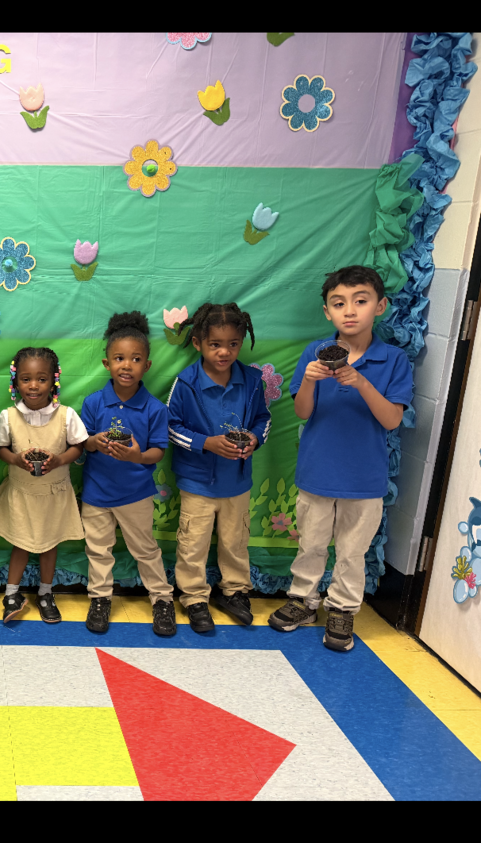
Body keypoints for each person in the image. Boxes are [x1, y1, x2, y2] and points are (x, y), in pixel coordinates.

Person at [269, 266, 412, 651]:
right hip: (316, 473)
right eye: (339, 303)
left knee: (352, 551)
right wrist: (313, 380)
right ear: (327, 312)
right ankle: (302, 600)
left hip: (365, 479)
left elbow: (392, 419)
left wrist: (360, 382)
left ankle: (344, 608)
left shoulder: (393, 360)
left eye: (360, 301)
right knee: (311, 544)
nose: (350, 311)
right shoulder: (314, 353)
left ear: (379, 306)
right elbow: (302, 412)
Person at [167, 302, 272, 632]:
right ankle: (194, 596)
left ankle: (236, 591)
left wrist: (255, 439)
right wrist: (206, 443)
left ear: (241, 342)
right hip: (197, 482)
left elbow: (263, 420)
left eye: (233, 344)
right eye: (215, 344)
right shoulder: (185, 383)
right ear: (197, 343)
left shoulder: (253, 381)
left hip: (237, 483)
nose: (224, 352)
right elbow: (170, 427)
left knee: (235, 542)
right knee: (192, 543)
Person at [81, 312, 175, 635]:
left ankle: (162, 599)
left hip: (136, 494)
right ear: (107, 363)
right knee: (98, 550)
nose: (126, 365)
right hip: (96, 494)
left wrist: (136, 455)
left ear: (146, 366)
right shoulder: (93, 403)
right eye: (119, 358)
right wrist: (94, 442)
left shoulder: (155, 409)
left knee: (146, 550)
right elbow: (83, 445)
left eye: (135, 359)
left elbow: (158, 452)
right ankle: (100, 598)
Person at [0, 347, 87, 623]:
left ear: (54, 380)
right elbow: (0, 449)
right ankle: (11, 593)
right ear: (15, 381)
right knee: (21, 543)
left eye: (41, 379)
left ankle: (45, 592)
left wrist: (60, 460)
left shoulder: (66, 416)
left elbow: (79, 446)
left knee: (49, 545)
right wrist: (16, 460)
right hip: (22, 494)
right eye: (26, 379)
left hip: (54, 495)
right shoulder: (9, 416)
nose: (33, 386)